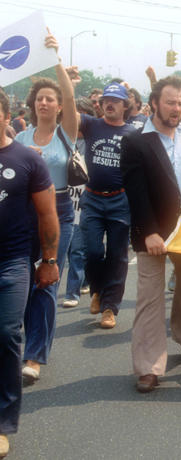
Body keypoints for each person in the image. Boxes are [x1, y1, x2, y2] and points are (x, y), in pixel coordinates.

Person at [121, 75, 181, 393]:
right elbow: (136, 193)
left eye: (180, 103)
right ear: (154, 104)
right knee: (150, 297)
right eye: (170, 103)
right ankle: (148, 367)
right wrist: (148, 233)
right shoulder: (135, 142)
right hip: (154, 230)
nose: (176, 109)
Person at [15, 32, 79, 383]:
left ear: (57, 107)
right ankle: (21, 340)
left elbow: (69, 93)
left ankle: (35, 356)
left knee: (47, 281)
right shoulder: (20, 137)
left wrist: (55, 56)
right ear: (32, 103)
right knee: (20, 281)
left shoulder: (65, 132)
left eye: (50, 99)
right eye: (39, 98)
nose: (44, 103)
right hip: (24, 214)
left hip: (59, 212)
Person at [0, 87, 60, 460]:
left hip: (12, 261)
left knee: (6, 332)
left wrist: (49, 260)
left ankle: (3, 423)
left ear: (6, 115)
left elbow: (47, 213)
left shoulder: (27, 160)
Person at [79, 82, 136, 329]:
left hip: (119, 200)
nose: (109, 104)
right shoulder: (91, 125)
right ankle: (97, 290)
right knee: (92, 252)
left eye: (115, 100)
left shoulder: (133, 133)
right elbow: (68, 110)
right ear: (100, 105)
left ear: (125, 105)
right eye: (105, 100)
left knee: (117, 255)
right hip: (91, 199)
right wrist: (68, 81)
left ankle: (109, 308)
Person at [62, 97, 95, 308]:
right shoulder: (62, 139)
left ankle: (72, 292)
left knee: (80, 249)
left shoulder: (94, 141)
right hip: (65, 202)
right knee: (69, 249)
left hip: (87, 203)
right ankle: (83, 281)